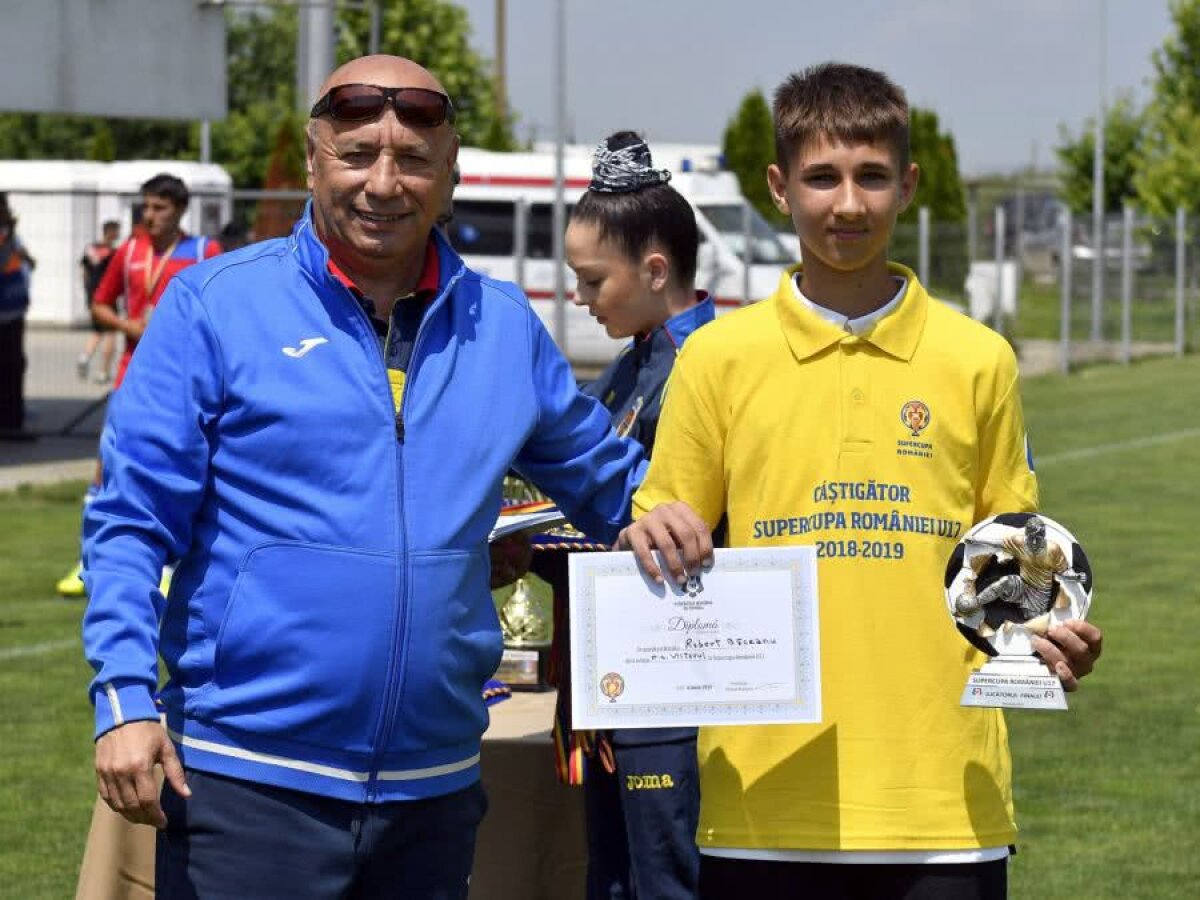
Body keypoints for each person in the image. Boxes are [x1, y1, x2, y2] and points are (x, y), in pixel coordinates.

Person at [81, 55, 707, 899]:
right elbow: (128, 524)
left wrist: (671, 512)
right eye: (356, 154)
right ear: (313, 161)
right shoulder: (214, 308)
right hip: (246, 780)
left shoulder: (505, 329)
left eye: (413, 160)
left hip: (434, 793)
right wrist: (123, 697)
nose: (384, 183)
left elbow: (612, 482)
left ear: (449, 173)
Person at [620, 63, 1103, 900]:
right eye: (822, 177)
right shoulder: (716, 358)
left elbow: (1016, 567)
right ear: (779, 186)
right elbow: (659, 534)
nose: (847, 204)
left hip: (943, 809)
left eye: (872, 176)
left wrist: (1050, 640)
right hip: (761, 805)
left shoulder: (977, 359)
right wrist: (648, 537)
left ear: (907, 184)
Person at [535, 130, 714, 900]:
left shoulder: (713, 364)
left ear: (654, 268)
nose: (580, 298)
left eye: (591, 280)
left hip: (681, 669)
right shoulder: (629, 363)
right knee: (613, 879)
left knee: (665, 881)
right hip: (618, 671)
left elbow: (687, 519)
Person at [56, 175, 219, 598]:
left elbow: (223, 308)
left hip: (186, 379)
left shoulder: (203, 251)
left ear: (180, 210)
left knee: (179, 467)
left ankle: (167, 564)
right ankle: (89, 558)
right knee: (106, 467)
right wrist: (129, 325)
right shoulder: (129, 251)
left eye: (159, 208)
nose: (149, 216)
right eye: (146, 207)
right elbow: (100, 303)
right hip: (132, 374)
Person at [0, 193, 36, 439]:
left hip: (13, 311)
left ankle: (14, 419)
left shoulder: (11, 237)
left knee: (15, 365)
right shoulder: (5, 238)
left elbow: (28, 262)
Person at [77, 220, 121, 385]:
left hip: (92, 296)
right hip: (107, 297)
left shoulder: (90, 249)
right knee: (110, 333)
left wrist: (88, 292)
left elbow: (83, 272)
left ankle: (85, 357)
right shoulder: (113, 253)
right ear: (111, 232)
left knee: (97, 331)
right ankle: (104, 372)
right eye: (117, 231)